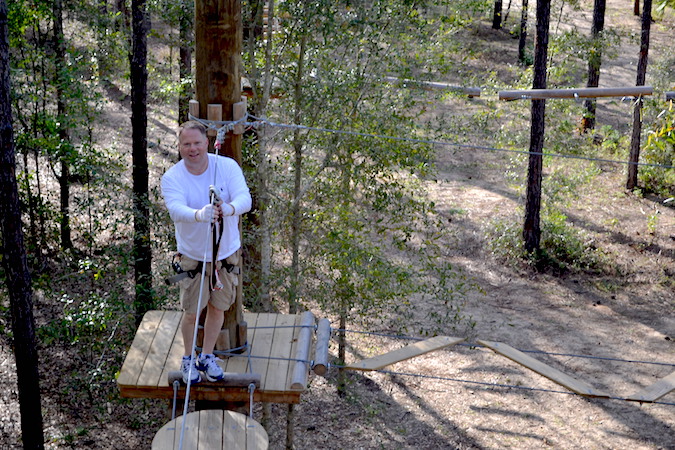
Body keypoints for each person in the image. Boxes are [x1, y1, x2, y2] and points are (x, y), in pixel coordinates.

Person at [161, 120, 252, 383]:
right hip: (193, 255)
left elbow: (244, 198)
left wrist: (228, 209)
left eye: (197, 143)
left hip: (226, 254)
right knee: (192, 312)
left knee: (218, 308)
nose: (193, 149)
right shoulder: (173, 177)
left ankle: (207, 356)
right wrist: (200, 214)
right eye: (186, 144)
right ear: (179, 147)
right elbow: (176, 209)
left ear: (207, 143)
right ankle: (189, 357)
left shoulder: (225, 167)